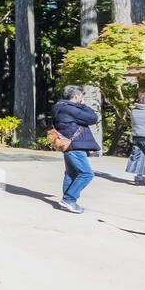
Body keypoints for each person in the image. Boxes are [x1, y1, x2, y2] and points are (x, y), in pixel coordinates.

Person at [52, 85, 101, 213]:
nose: (82, 99)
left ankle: (67, 201)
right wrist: (84, 105)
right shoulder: (70, 108)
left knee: (72, 173)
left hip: (69, 144)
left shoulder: (60, 107)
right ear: (76, 97)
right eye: (81, 96)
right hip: (75, 145)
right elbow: (93, 118)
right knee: (86, 174)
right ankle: (69, 200)